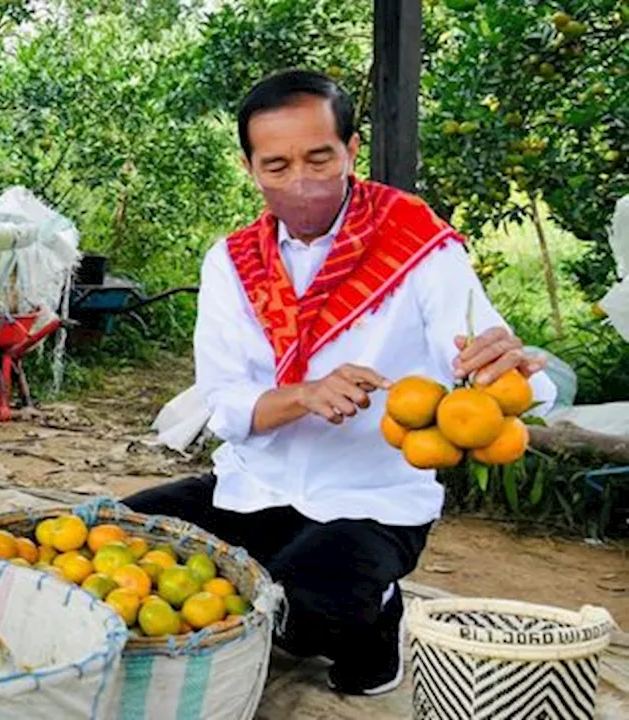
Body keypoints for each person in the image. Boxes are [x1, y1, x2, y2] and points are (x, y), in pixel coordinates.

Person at [126, 70, 555, 696]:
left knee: (298, 612)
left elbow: (486, 358)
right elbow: (222, 402)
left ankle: (377, 622)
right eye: (276, 166)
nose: (300, 183)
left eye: (320, 158)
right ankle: (286, 583)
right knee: (117, 535)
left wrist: (500, 364)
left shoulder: (418, 245)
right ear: (250, 167)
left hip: (372, 499)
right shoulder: (233, 263)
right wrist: (302, 394)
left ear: (352, 149)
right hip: (251, 486)